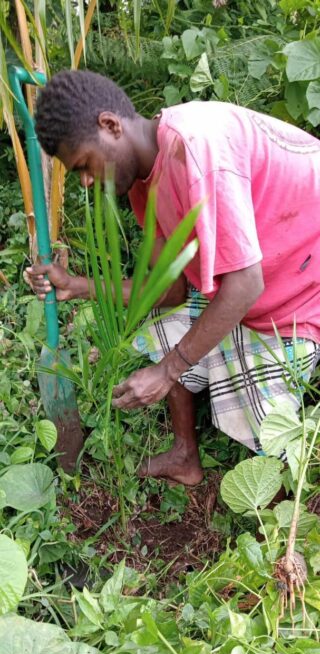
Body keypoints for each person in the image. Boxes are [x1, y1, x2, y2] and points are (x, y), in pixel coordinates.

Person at [26, 69, 320, 486]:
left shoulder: (197, 148)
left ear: (110, 125)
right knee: (166, 335)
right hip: (254, 280)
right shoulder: (143, 184)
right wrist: (79, 286)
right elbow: (172, 288)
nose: (88, 182)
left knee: (272, 425)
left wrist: (167, 372)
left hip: (301, 290)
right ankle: (185, 456)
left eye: (83, 166)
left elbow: (246, 284)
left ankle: (279, 520)